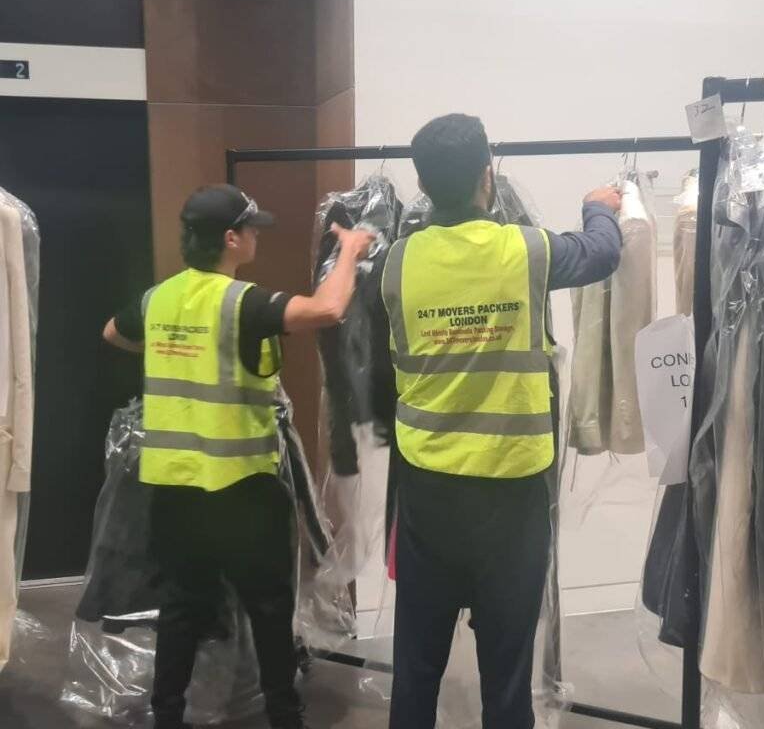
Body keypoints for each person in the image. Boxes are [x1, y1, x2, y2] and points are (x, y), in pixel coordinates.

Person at [381, 114, 623, 729]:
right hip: (511, 494)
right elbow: (602, 252)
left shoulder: (396, 262)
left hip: (428, 490)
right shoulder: (527, 250)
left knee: (416, 664)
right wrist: (598, 206)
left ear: (422, 185)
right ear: (487, 177)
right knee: (507, 671)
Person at [103, 183, 374, 729]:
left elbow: (113, 332)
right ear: (231, 239)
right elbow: (328, 308)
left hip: (175, 488)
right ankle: (283, 716)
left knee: (181, 609)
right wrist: (349, 250)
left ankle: (167, 715)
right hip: (241, 491)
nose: (255, 237)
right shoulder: (242, 303)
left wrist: (173, 350)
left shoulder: (159, 299)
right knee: (269, 610)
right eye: (251, 229)